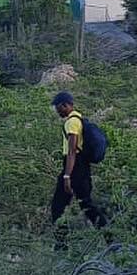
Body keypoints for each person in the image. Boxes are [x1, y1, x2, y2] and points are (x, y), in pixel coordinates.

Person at [51, 90, 106, 230]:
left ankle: (61, 245)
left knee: (58, 207)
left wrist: (67, 175)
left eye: (58, 107)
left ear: (65, 105)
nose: (57, 111)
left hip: (74, 167)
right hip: (83, 167)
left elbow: (71, 151)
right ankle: (109, 236)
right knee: (86, 205)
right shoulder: (80, 119)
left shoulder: (72, 122)